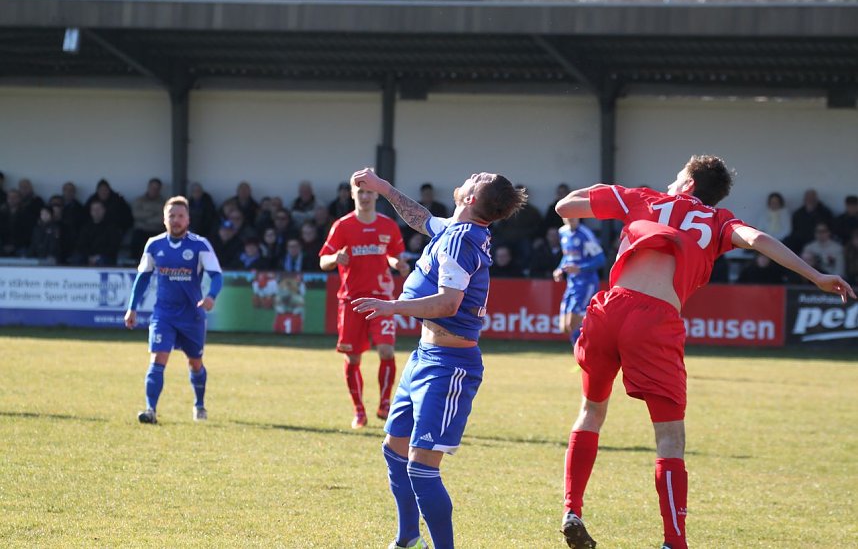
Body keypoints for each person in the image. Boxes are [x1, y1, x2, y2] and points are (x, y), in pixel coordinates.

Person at [554, 155, 855, 549]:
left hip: (610, 308)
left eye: (676, 177)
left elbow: (566, 207)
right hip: (654, 321)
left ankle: (572, 509)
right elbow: (758, 240)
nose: (670, 182)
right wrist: (815, 276)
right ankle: (673, 542)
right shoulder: (719, 221)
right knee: (669, 437)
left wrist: (612, 193)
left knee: (591, 411)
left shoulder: (642, 197)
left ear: (689, 183)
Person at [349, 167, 527, 549]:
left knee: (422, 469)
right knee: (394, 450)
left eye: (478, 177)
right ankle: (408, 538)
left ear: (470, 198)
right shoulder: (457, 229)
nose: (473, 173)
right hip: (424, 356)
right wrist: (384, 188)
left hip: (449, 367)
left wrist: (392, 306)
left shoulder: (462, 239)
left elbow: (448, 303)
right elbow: (421, 219)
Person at [318, 179, 410, 429]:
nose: (365, 196)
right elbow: (323, 261)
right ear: (352, 194)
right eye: (360, 192)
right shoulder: (342, 226)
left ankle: (385, 404)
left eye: (369, 192)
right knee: (353, 357)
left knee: (386, 351)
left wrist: (399, 265)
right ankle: (359, 411)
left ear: (376, 195)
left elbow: (392, 256)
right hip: (352, 301)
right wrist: (334, 258)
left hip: (381, 299)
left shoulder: (388, 226)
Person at [124, 196, 223, 424]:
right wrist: (132, 308)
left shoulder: (200, 245)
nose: (176, 220)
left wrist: (211, 296)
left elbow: (216, 275)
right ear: (164, 219)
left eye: (180, 216)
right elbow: (142, 278)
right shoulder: (154, 245)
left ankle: (199, 405)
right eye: (171, 216)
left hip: (192, 315)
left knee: (195, 363)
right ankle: (150, 410)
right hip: (164, 314)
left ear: (188, 219)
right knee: (157, 359)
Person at [553, 217, 605, 345]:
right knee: (564, 327)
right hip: (572, 283)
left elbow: (600, 260)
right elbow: (567, 256)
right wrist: (560, 269)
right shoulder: (563, 232)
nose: (572, 217)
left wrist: (580, 268)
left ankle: (585, 352)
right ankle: (587, 348)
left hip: (586, 283)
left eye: (574, 214)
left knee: (572, 324)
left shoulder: (585, 235)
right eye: (568, 214)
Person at [130, 177, 166, 260]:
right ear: (148, 187)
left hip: (157, 230)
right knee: (137, 239)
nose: (154, 190)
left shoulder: (164, 202)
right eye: (152, 188)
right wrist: (153, 213)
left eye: (156, 188)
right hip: (141, 230)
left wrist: (145, 218)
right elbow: (136, 215)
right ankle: (135, 261)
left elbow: (162, 219)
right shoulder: (139, 200)